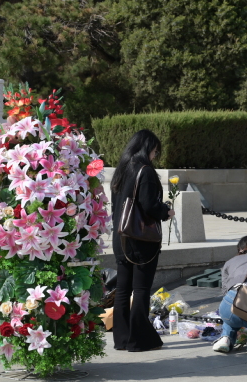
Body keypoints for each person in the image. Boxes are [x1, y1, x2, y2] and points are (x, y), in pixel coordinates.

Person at [110, 129, 175, 352]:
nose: (155, 156)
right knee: (141, 289)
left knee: (122, 289)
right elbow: (149, 205)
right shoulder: (145, 171)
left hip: (121, 237)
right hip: (141, 240)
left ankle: (121, 339)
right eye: (155, 151)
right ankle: (139, 339)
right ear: (147, 149)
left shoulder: (122, 170)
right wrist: (165, 211)